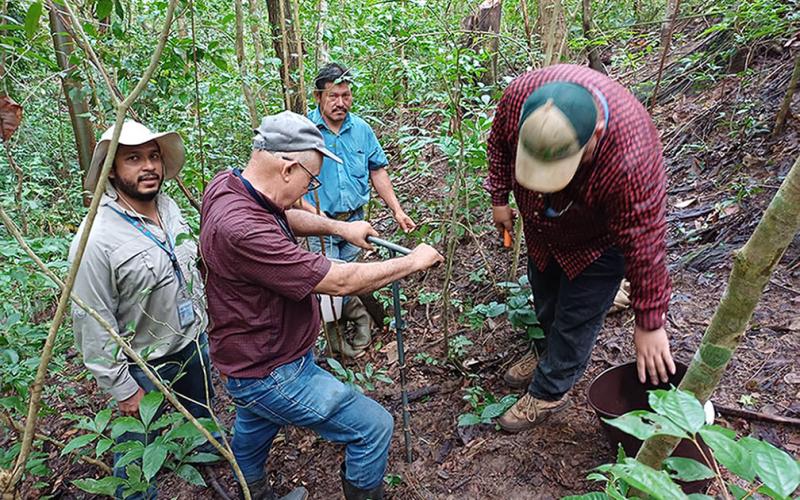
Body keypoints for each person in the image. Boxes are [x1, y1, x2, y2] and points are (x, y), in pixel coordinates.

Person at [199, 111, 443, 500]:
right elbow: (339, 280)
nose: (307, 191)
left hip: (250, 357)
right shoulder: (243, 230)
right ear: (287, 168)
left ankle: (253, 493)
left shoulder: (229, 186)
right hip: (271, 370)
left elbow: (281, 214)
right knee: (373, 427)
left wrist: (338, 227)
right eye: (309, 181)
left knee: (255, 422)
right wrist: (412, 262)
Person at [485, 64, 676, 433]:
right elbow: (497, 145)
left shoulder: (631, 155)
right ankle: (545, 353)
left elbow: (646, 241)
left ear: (596, 135)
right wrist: (498, 197)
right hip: (542, 232)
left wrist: (650, 322)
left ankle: (550, 389)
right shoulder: (520, 98)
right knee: (545, 298)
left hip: (596, 245)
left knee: (575, 318)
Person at [69, 121, 217, 498]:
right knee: (136, 460)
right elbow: (92, 319)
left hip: (191, 344)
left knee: (202, 423)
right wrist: (123, 388)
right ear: (112, 170)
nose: (148, 166)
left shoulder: (168, 209)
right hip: (142, 367)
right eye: (133, 158)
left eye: (153, 157)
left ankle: (208, 474)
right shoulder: (95, 238)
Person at [301, 62, 416, 357]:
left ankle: (360, 324)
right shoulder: (304, 131)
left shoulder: (361, 130)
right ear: (318, 97)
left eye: (346, 95)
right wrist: (310, 216)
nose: (341, 103)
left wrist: (397, 210)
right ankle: (337, 338)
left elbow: (377, 171)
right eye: (333, 96)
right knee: (328, 284)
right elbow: (289, 180)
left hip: (355, 222)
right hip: (319, 225)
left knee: (349, 278)